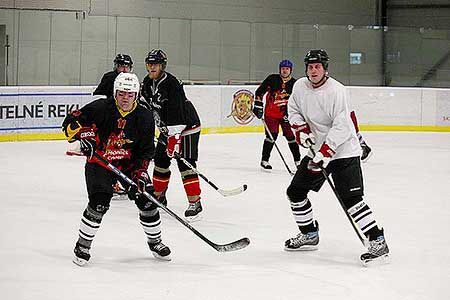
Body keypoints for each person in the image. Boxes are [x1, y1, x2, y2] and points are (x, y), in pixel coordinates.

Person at [285, 49, 389, 265]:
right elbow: (292, 110)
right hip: (318, 150)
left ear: (325, 69)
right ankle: (309, 234)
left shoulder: (337, 91)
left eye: (317, 67)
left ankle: (377, 239)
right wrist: (302, 131)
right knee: (295, 192)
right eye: (310, 67)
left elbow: (342, 126)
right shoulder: (300, 87)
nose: (313, 71)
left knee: (351, 200)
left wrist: (326, 152)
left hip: (344, 151)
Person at [62, 72, 171, 266]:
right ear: (115, 93)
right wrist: (84, 136)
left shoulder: (144, 116)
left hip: (128, 164)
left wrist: (140, 173)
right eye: (121, 93)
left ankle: (155, 242)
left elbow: (146, 150)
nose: (125, 98)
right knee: (99, 202)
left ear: (136, 95)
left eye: (130, 94)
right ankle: (83, 245)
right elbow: (69, 123)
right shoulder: (100, 107)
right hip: (100, 162)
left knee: (147, 199)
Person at [140, 49, 203, 221]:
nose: (152, 67)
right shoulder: (147, 82)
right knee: (160, 160)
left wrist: (174, 139)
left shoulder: (172, 84)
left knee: (185, 163)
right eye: (149, 63)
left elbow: (177, 113)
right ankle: (159, 197)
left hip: (187, 126)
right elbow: (143, 106)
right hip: (167, 128)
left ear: (162, 66)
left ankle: (195, 203)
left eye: (156, 64)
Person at [252, 59, 300, 171]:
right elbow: (259, 92)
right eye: (283, 68)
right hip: (271, 114)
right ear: (280, 69)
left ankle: (298, 161)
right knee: (271, 137)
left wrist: (292, 113)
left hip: (286, 115)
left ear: (290, 70)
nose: (285, 71)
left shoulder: (295, 84)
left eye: (287, 69)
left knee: (291, 137)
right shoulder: (272, 79)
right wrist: (258, 106)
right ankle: (265, 160)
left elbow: (298, 100)